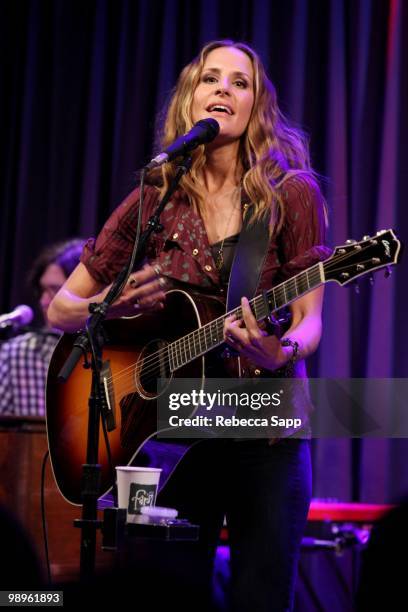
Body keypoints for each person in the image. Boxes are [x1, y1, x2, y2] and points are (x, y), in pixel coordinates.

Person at [48, 40, 330, 611]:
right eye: (210, 79)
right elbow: (62, 310)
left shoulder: (290, 194)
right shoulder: (156, 196)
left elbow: (309, 321)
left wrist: (282, 353)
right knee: (167, 597)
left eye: (240, 82)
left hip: (264, 423)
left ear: (257, 106)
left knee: (260, 597)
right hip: (172, 432)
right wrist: (115, 304)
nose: (223, 88)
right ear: (190, 99)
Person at [0, 239, 84, 416]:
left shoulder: (111, 352)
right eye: (43, 290)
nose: (44, 301)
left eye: (55, 290)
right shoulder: (16, 353)